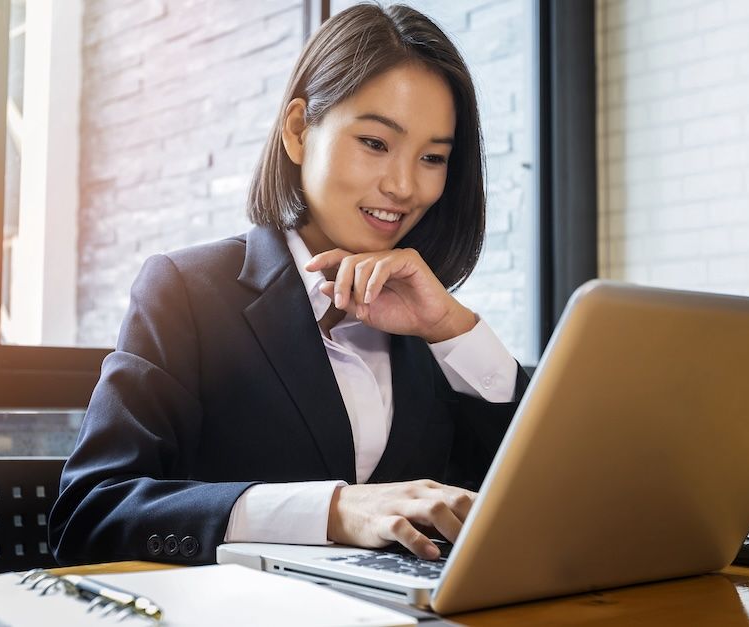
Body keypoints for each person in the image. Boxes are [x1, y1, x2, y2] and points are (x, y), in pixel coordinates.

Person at [49, 3, 528, 566]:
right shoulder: (188, 291)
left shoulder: (434, 333)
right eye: (375, 142)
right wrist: (332, 511)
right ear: (299, 131)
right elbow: (90, 514)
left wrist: (451, 328)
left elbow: (535, 497)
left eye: (431, 157)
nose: (403, 185)